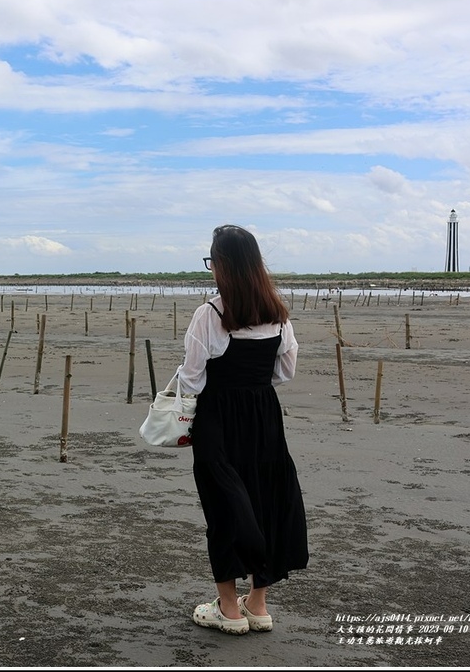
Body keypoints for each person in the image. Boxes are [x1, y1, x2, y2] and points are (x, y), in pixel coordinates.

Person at [178, 224, 309, 636]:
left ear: (223, 266)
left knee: (223, 506)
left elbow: (192, 379)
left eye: (212, 260)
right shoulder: (278, 316)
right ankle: (259, 603)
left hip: (218, 418)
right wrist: (252, 386)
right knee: (265, 498)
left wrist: (182, 419)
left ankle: (229, 609)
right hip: (264, 417)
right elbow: (284, 373)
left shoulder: (211, 313)